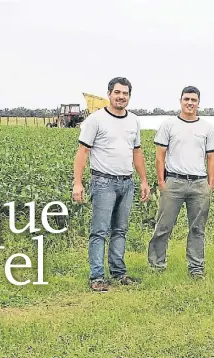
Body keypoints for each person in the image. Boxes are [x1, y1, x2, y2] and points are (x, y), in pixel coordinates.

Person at [72, 76, 151, 292]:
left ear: (129, 97)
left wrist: (144, 180)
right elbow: (82, 153)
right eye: (117, 92)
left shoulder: (134, 121)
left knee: (120, 230)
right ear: (109, 94)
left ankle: (118, 272)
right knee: (99, 231)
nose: (121, 97)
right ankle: (97, 276)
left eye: (125, 93)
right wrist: (77, 183)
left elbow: (137, 152)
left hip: (127, 183)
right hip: (103, 181)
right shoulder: (95, 120)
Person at [147, 86, 214, 279]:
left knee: (197, 228)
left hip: (199, 184)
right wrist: (162, 182)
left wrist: (209, 185)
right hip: (174, 182)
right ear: (180, 101)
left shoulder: (207, 128)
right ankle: (156, 265)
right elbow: (160, 156)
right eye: (186, 99)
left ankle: (196, 267)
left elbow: (212, 158)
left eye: (194, 100)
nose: (190, 103)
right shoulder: (168, 125)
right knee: (163, 226)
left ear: (198, 103)